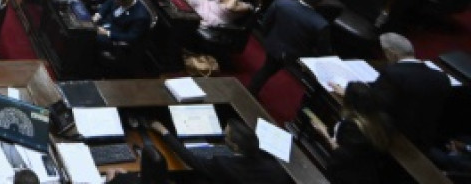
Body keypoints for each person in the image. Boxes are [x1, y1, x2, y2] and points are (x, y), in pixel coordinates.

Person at [149, 117, 288, 184]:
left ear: (235, 147)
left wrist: (164, 132)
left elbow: (191, 159)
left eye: (226, 136)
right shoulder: (274, 168)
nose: (223, 134)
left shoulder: (223, 164)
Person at [371, 32, 451, 149]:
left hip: (393, 137)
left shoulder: (392, 74)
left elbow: (376, 104)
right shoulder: (442, 77)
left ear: (392, 54)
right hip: (427, 138)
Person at [248, 0, 331, 95]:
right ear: (319, 2)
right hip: (291, 54)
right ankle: (250, 92)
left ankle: (252, 90)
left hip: (272, 42)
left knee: (267, 68)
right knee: (267, 71)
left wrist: (268, 37)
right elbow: (322, 50)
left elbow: (266, 22)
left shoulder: (281, 2)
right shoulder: (320, 23)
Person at [303, 81, 391, 184]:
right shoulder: (382, 120)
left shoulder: (351, 127)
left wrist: (324, 132)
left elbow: (340, 153)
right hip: (370, 174)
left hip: (347, 176)